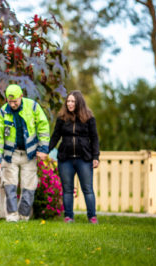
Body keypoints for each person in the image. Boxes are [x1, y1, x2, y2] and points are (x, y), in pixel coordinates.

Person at [0, 84, 50, 222]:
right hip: (10, 155)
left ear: (21, 97)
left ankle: (23, 215)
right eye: (9, 101)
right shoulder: (3, 112)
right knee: (10, 185)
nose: (12, 104)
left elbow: (43, 126)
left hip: (29, 154)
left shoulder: (33, 107)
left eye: (15, 101)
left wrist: (42, 149)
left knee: (29, 186)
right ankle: (12, 216)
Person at [49, 90, 100, 224]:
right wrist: (45, 150)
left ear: (79, 103)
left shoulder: (89, 118)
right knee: (67, 189)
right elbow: (55, 137)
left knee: (87, 189)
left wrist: (96, 156)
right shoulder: (62, 118)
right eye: (68, 101)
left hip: (84, 159)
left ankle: (92, 217)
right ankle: (69, 217)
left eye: (73, 101)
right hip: (65, 159)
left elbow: (94, 138)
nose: (70, 104)